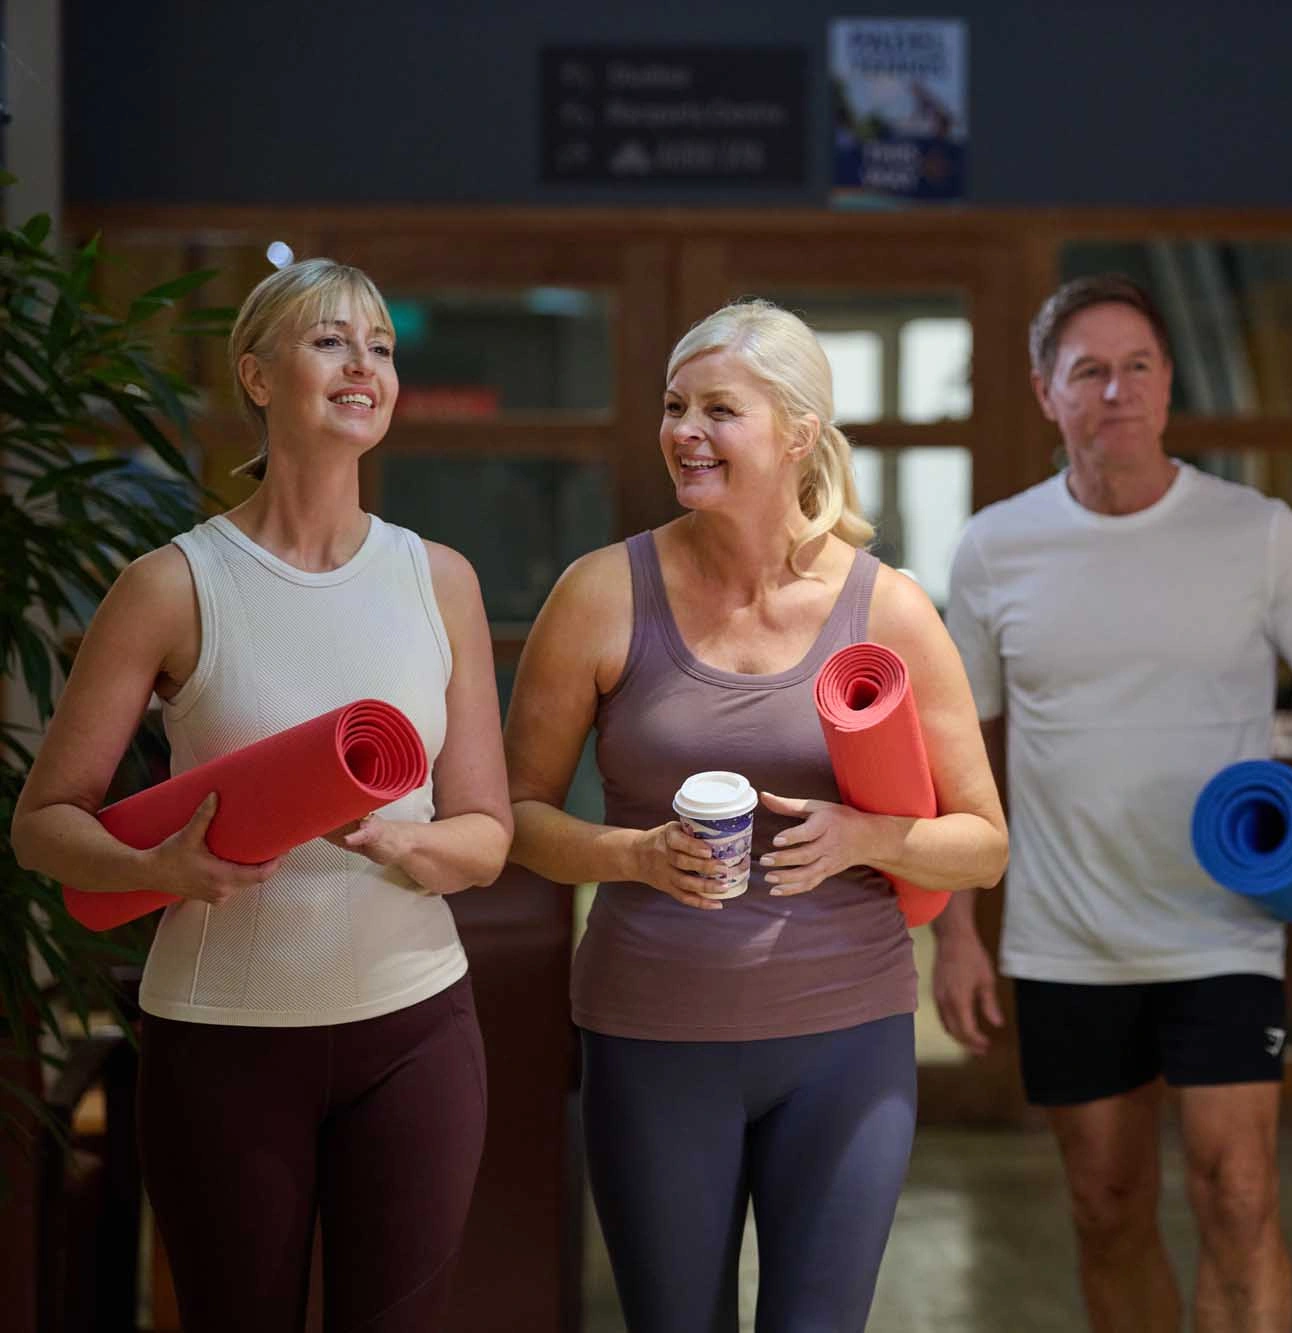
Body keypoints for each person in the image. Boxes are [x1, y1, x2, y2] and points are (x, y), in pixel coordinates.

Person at [12, 258, 512, 1332]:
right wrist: (158, 870)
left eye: (380, 345)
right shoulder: (171, 584)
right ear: (254, 374)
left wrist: (392, 840)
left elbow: (484, 836)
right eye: (330, 340)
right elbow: (42, 826)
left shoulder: (441, 580)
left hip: (416, 1029)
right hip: (221, 1042)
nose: (363, 364)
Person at [932, 274, 1292, 1333]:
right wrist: (955, 933)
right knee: (1104, 1208)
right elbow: (956, 748)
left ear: (1166, 386)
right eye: (1089, 371)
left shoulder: (1258, 534)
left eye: (1139, 366)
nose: (1117, 391)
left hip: (1224, 927)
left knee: (1237, 1194)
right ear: (1044, 391)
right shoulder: (991, 547)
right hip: (1066, 937)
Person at [503, 298, 1008, 1333]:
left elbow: (983, 844)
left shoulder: (891, 609)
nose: (684, 430)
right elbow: (514, 815)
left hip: (846, 1042)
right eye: (673, 406)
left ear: (797, 435)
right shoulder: (600, 595)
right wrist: (634, 855)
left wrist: (868, 836)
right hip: (651, 1032)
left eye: (717, 410)